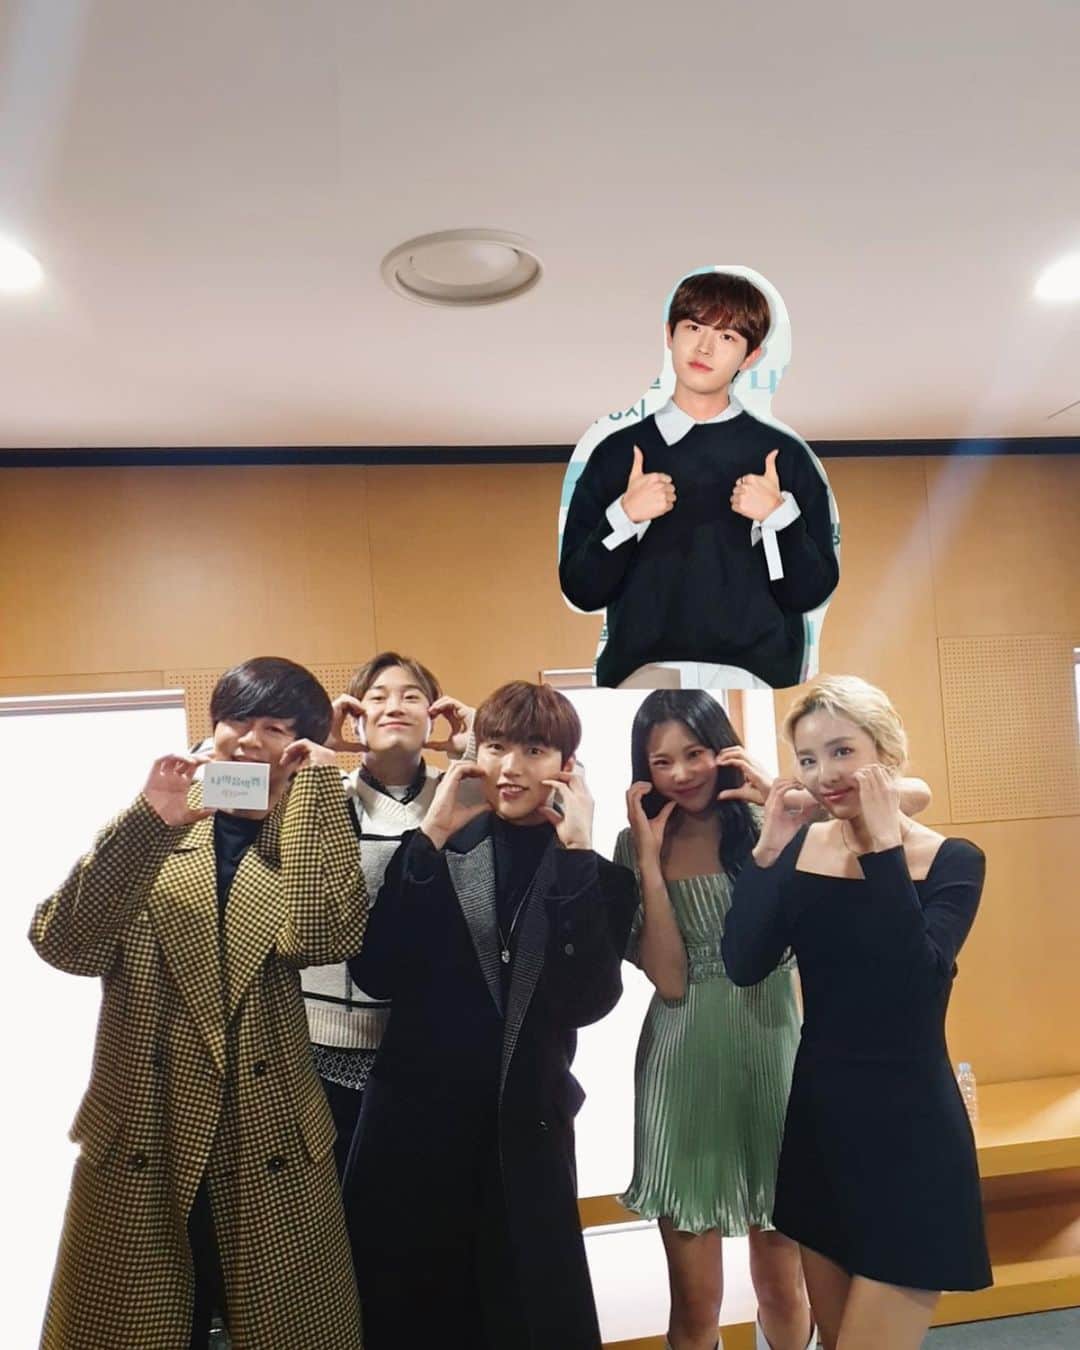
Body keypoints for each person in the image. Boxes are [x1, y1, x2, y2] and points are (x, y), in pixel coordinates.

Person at [29, 657, 366, 1350]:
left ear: (300, 748)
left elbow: (320, 935)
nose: (250, 741)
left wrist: (312, 790)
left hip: (268, 1132)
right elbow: (65, 945)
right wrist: (150, 821)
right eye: (237, 721)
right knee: (142, 1323)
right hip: (146, 1126)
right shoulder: (158, 830)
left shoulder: (302, 836)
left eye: (276, 729)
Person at [616, 690, 931, 1350]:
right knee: (694, 1304)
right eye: (662, 761)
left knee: (784, 1284)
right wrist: (647, 859)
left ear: (723, 750)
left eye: (695, 753)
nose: (682, 774)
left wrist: (788, 798)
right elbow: (669, 979)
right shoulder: (635, 843)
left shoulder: (776, 824)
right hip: (681, 1060)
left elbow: (914, 796)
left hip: (773, 1048)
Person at [342, 681, 638, 1350]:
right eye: (496, 747)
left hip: (526, 1131)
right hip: (416, 1128)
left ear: (567, 764)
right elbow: (376, 972)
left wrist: (576, 857)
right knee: (417, 1317)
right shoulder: (437, 852)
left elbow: (588, 1000)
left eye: (534, 750)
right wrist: (431, 834)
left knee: (529, 1314)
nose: (510, 768)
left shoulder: (596, 876)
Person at [722, 676, 990, 1350]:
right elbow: (744, 963)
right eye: (809, 759)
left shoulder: (952, 862)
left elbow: (914, 984)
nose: (825, 775)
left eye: (843, 751)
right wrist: (767, 853)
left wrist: (883, 851)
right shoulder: (800, 852)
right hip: (821, 1130)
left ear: (886, 753)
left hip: (912, 1138)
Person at [559, 271, 838, 689]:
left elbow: (807, 593)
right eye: (693, 328)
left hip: (755, 679)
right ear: (669, 334)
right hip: (642, 675)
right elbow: (582, 589)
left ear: (750, 356)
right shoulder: (616, 454)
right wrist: (625, 517)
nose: (705, 347)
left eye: (726, 336)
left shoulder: (784, 458)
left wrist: (778, 519)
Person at [301, 650, 476, 1175]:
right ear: (354, 719)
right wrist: (321, 742)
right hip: (328, 1038)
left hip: (433, 1039)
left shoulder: (461, 794)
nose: (394, 707)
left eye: (411, 697)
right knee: (337, 1201)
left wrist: (475, 747)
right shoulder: (323, 793)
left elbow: (546, 809)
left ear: (434, 716)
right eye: (376, 698)